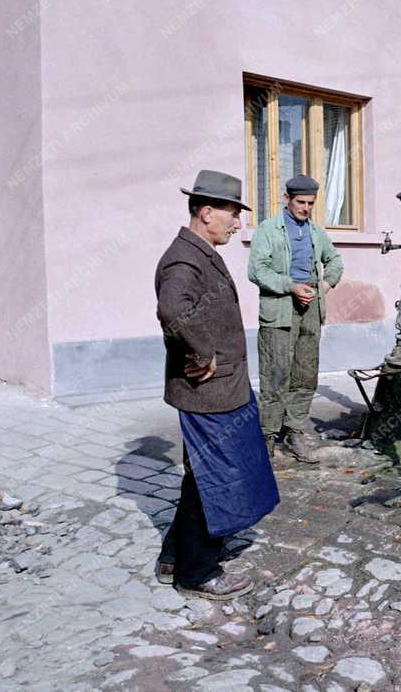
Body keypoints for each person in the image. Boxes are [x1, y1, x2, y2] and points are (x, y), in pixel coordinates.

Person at [155, 170, 280, 600]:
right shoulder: (184, 259)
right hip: (209, 393)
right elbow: (173, 310)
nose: (237, 223)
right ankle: (198, 572)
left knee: (198, 477)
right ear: (206, 212)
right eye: (232, 214)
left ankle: (175, 554)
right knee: (214, 479)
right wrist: (203, 353)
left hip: (219, 390)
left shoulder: (199, 250)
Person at [248, 175, 343, 463]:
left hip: (310, 312)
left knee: (305, 375)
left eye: (310, 203)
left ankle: (294, 432)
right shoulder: (268, 230)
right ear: (286, 198)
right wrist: (291, 286)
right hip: (279, 311)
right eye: (300, 202)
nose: (305, 208)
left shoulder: (315, 232)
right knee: (276, 376)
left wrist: (322, 289)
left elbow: (335, 261)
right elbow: (257, 271)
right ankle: (267, 436)